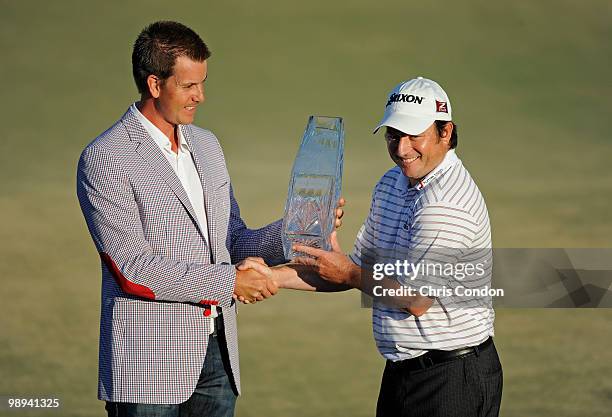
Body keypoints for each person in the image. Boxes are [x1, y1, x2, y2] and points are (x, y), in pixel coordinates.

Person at [76, 20, 312, 417]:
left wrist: (297, 231)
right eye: (188, 86)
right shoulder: (106, 157)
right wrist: (231, 281)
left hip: (218, 355)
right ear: (155, 85)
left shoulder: (207, 145)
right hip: (148, 368)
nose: (200, 96)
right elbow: (134, 269)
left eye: (202, 83)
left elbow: (232, 239)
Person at [269, 77, 503, 416]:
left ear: (446, 132)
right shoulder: (393, 183)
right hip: (405, 374)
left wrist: (348, 272)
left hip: (451, 382)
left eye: (414, 135)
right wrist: (271, 277)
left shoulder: (446, 204)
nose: (402, 148)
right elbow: (357, 273)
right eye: (394, 135)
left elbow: (415, 299)